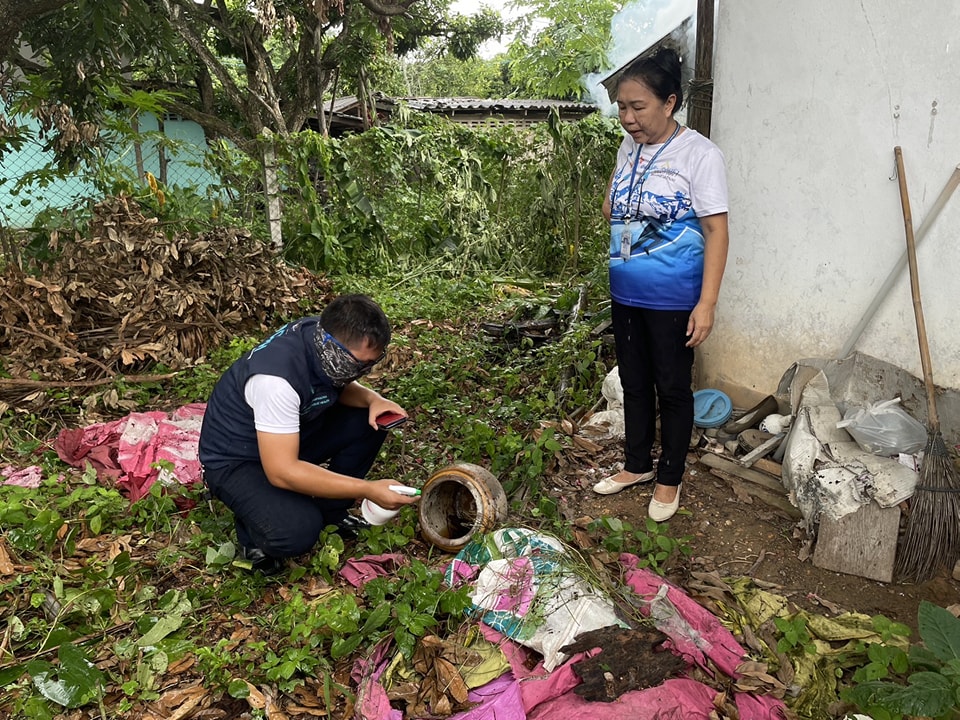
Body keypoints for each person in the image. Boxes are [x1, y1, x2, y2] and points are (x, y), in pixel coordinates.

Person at [592, 47, 729, 522]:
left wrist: (706, 302)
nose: (627, 118)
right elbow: (612, 208)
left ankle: (669, 478)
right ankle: (635, 465)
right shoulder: (627, 147)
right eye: (622, 108)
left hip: (673, 296)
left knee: (672, 387)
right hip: (625, 289)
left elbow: (716, 230)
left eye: (638, 107)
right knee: (633, 381)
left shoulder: (700, 154)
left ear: (669, 103)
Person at [198, 294, 418, 574]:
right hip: (238, 458)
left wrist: (373, 400)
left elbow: (337, 383)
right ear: (332, 350)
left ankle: (331, 513)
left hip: (290, 433)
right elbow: (281, 470)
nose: (362, 373)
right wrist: (368, 490)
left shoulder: (322, 336)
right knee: (296, 531)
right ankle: (252, 533)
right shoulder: (276, 382)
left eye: (370, 365)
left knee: (369, 420)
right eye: (358, 366)